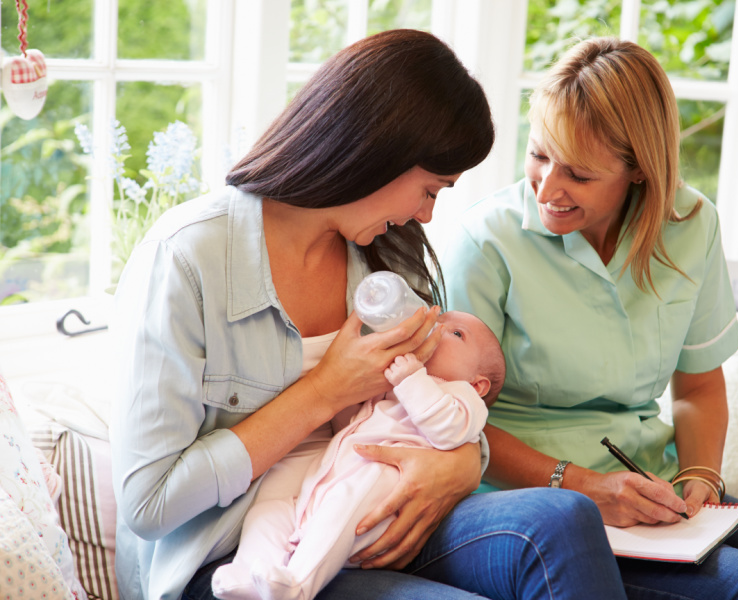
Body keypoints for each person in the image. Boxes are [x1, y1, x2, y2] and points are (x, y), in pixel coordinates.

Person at [110, 29, 627, 600]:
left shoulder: (389, 253)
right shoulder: (189, 258)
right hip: (247, 555)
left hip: (372, 508)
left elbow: (445, 395)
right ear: (377, 152)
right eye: (430, 189)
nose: (427, 216)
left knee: (564, 518)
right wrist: (323, 392)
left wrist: (461, 464)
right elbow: (149, 504)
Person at [442, 36, 738, 600]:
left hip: (651, 485)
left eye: (579, 175)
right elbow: (456, 422)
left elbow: (699, 385)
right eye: (538, 154)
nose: (548, 187)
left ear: (638, 170)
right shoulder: (484, 242)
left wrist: (700, 481)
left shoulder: (691, 225)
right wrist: (587, 486)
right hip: (530, 498)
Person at [212, 311, 505, 600]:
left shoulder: (463, 397)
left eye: (456, 334)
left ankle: (298, 586)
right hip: (325, 487)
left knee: (347, 497)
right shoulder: (395, 385)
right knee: (270, 512)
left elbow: (448, 430)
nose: (437, 329)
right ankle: (247, 575)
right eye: (438, 322)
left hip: (377, 506)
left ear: (478, 384)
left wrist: (411, 379)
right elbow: (348, 424)